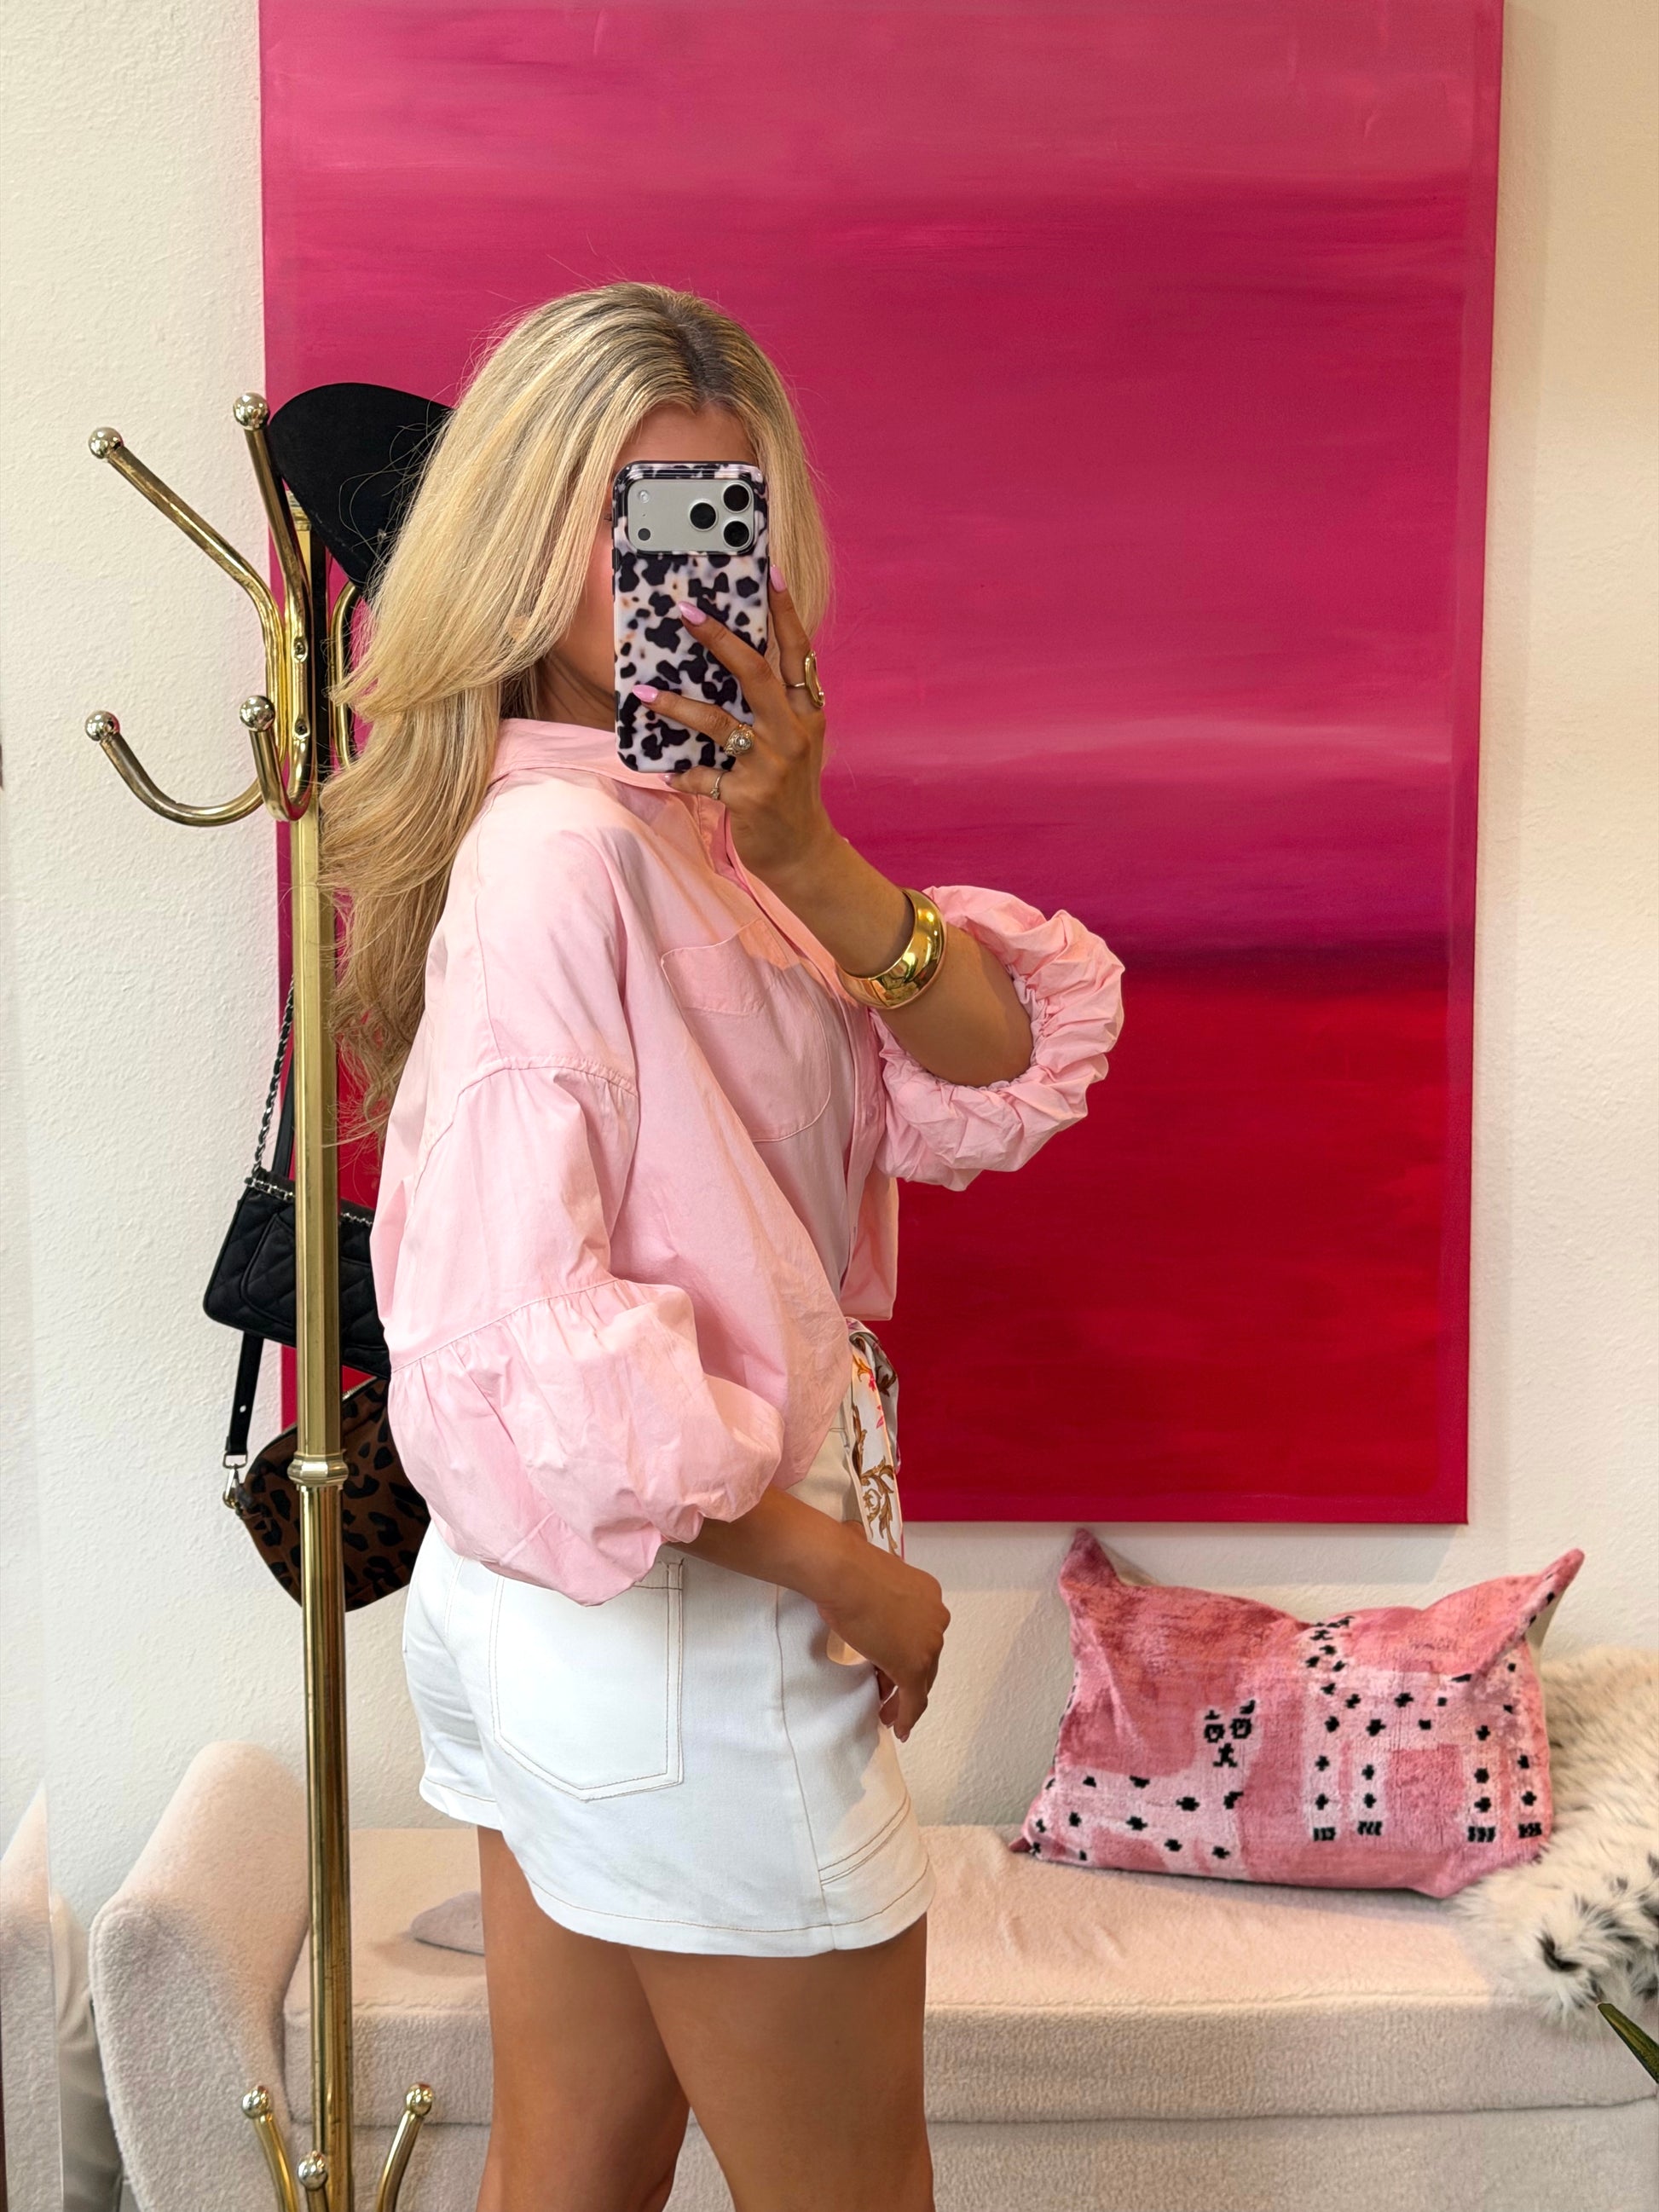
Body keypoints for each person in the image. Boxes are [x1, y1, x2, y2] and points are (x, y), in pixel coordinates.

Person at [325, 281, 1125, 2212]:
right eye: (626, 522)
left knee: (572, 2164)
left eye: (718, 519)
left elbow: (991, 1072)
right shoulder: (564, 859)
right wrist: (851, 1578)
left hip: (583, 1616)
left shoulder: (689, 839)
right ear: (523, 545)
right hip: (692, 1617)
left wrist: (809, 849)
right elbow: (513, 1319)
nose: (680, 581)